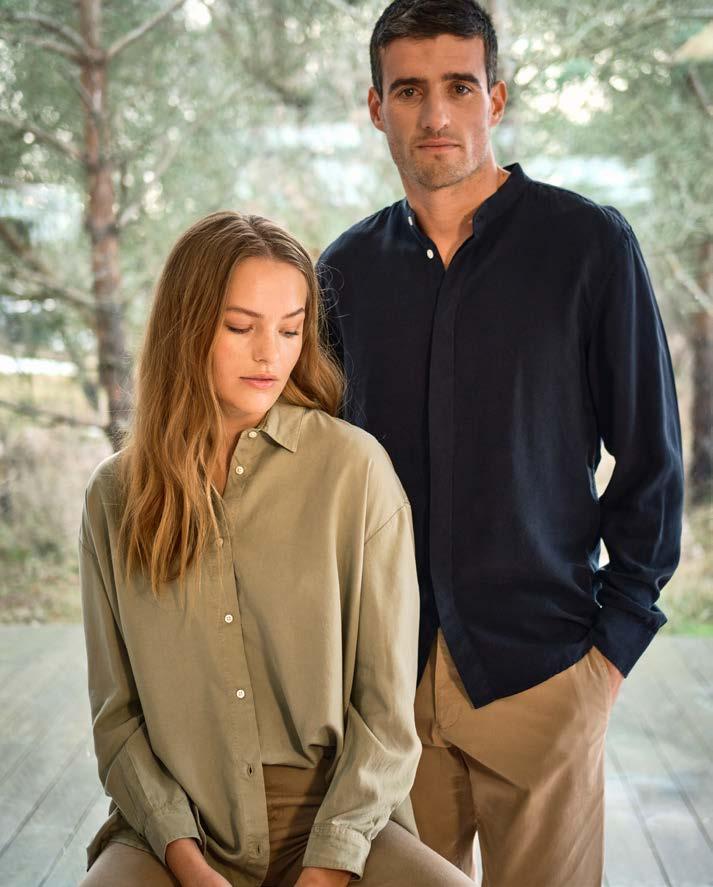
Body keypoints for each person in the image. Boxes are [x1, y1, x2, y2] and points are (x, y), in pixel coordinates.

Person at [319, 2, 685, 886]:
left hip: (544, 673)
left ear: (496, 98)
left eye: (458, 87)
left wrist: (608, 655)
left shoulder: (587, 246)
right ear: (375, 106)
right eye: (409, 90)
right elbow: (319, 477)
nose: (435, 114)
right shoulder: (343, 273)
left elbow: (650, 459)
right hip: (389, 689)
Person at [78, 211, 475, 887]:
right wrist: (186, 861)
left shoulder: (353, 472)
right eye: (241, 327)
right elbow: (116, 720)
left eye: (290, 329)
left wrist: (325, 868)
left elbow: (385, 718)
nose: (270, 353)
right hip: (171, 830)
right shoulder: (114, 495)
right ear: (185, 327)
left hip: (333, 821)